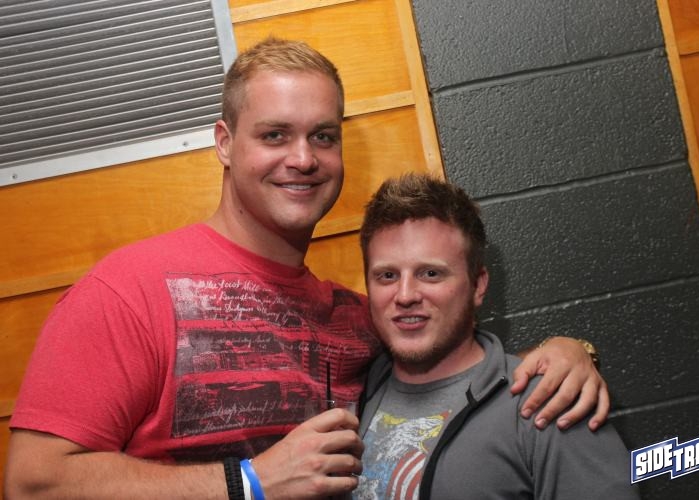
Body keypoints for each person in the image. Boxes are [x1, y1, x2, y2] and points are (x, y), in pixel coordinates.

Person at [4, 38, 606, 500]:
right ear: (224, 142)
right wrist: (249, 483)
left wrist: (567, 353)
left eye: (322, 136)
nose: (302, 159)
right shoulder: (129, 290)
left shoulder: (355, 320)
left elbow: (448, 351)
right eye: (274, 135)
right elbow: (33, 485)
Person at [354, 173, 639, 499]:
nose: (405, 295)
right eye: (387, 275)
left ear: (478, 285)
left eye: (430, 273)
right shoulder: (358, 389)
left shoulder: (547, 403)